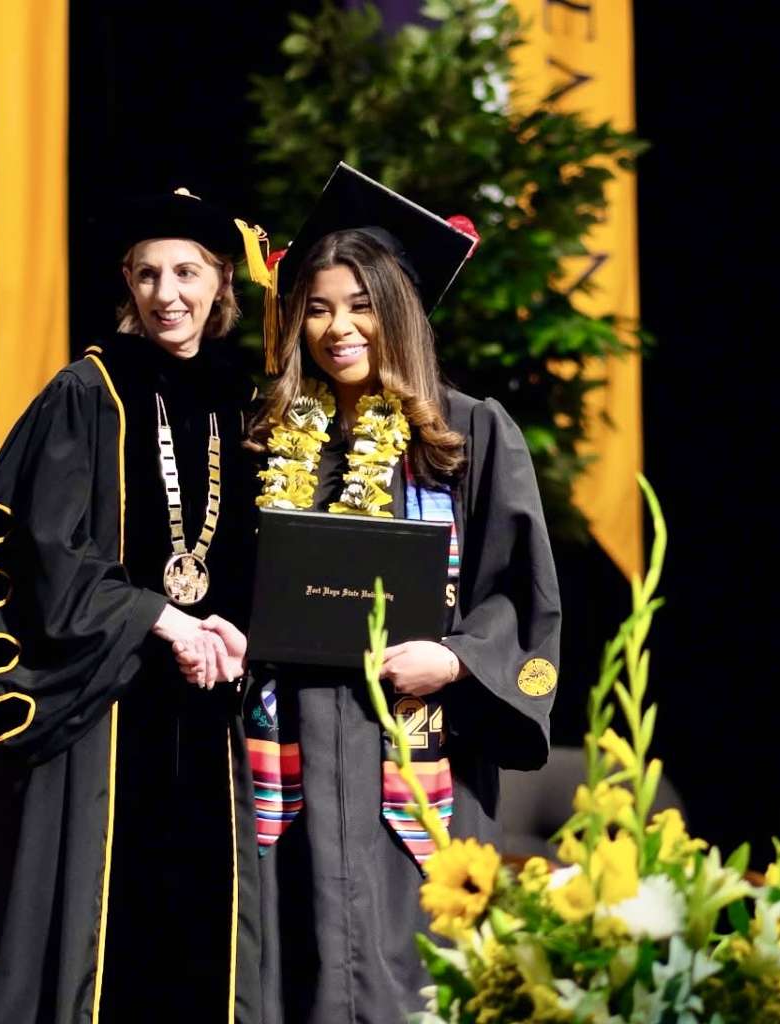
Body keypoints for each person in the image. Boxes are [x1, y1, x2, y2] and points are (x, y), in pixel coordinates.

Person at [194, 164, 562, 1024]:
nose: (337, 327)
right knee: (277, 973)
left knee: (415, 978)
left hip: (412, 748)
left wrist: (460, 658)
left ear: (398, 312)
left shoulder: (467, 431)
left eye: (360, 304)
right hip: (284, 753)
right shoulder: (267, 439)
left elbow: (522, 595)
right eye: (317, 307)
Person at [0, 188, 262, 1024]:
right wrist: (163, 620)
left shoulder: (250, 404)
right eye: (149, 274)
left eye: (188, 272)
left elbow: (267, 546)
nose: (169, 294)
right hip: (103, 707)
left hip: (214, 709)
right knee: (97, 941)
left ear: (221, 282)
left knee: (210, 933)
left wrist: (236, 631)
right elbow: (41, 551)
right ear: (127, 283)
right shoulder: (87, 391)